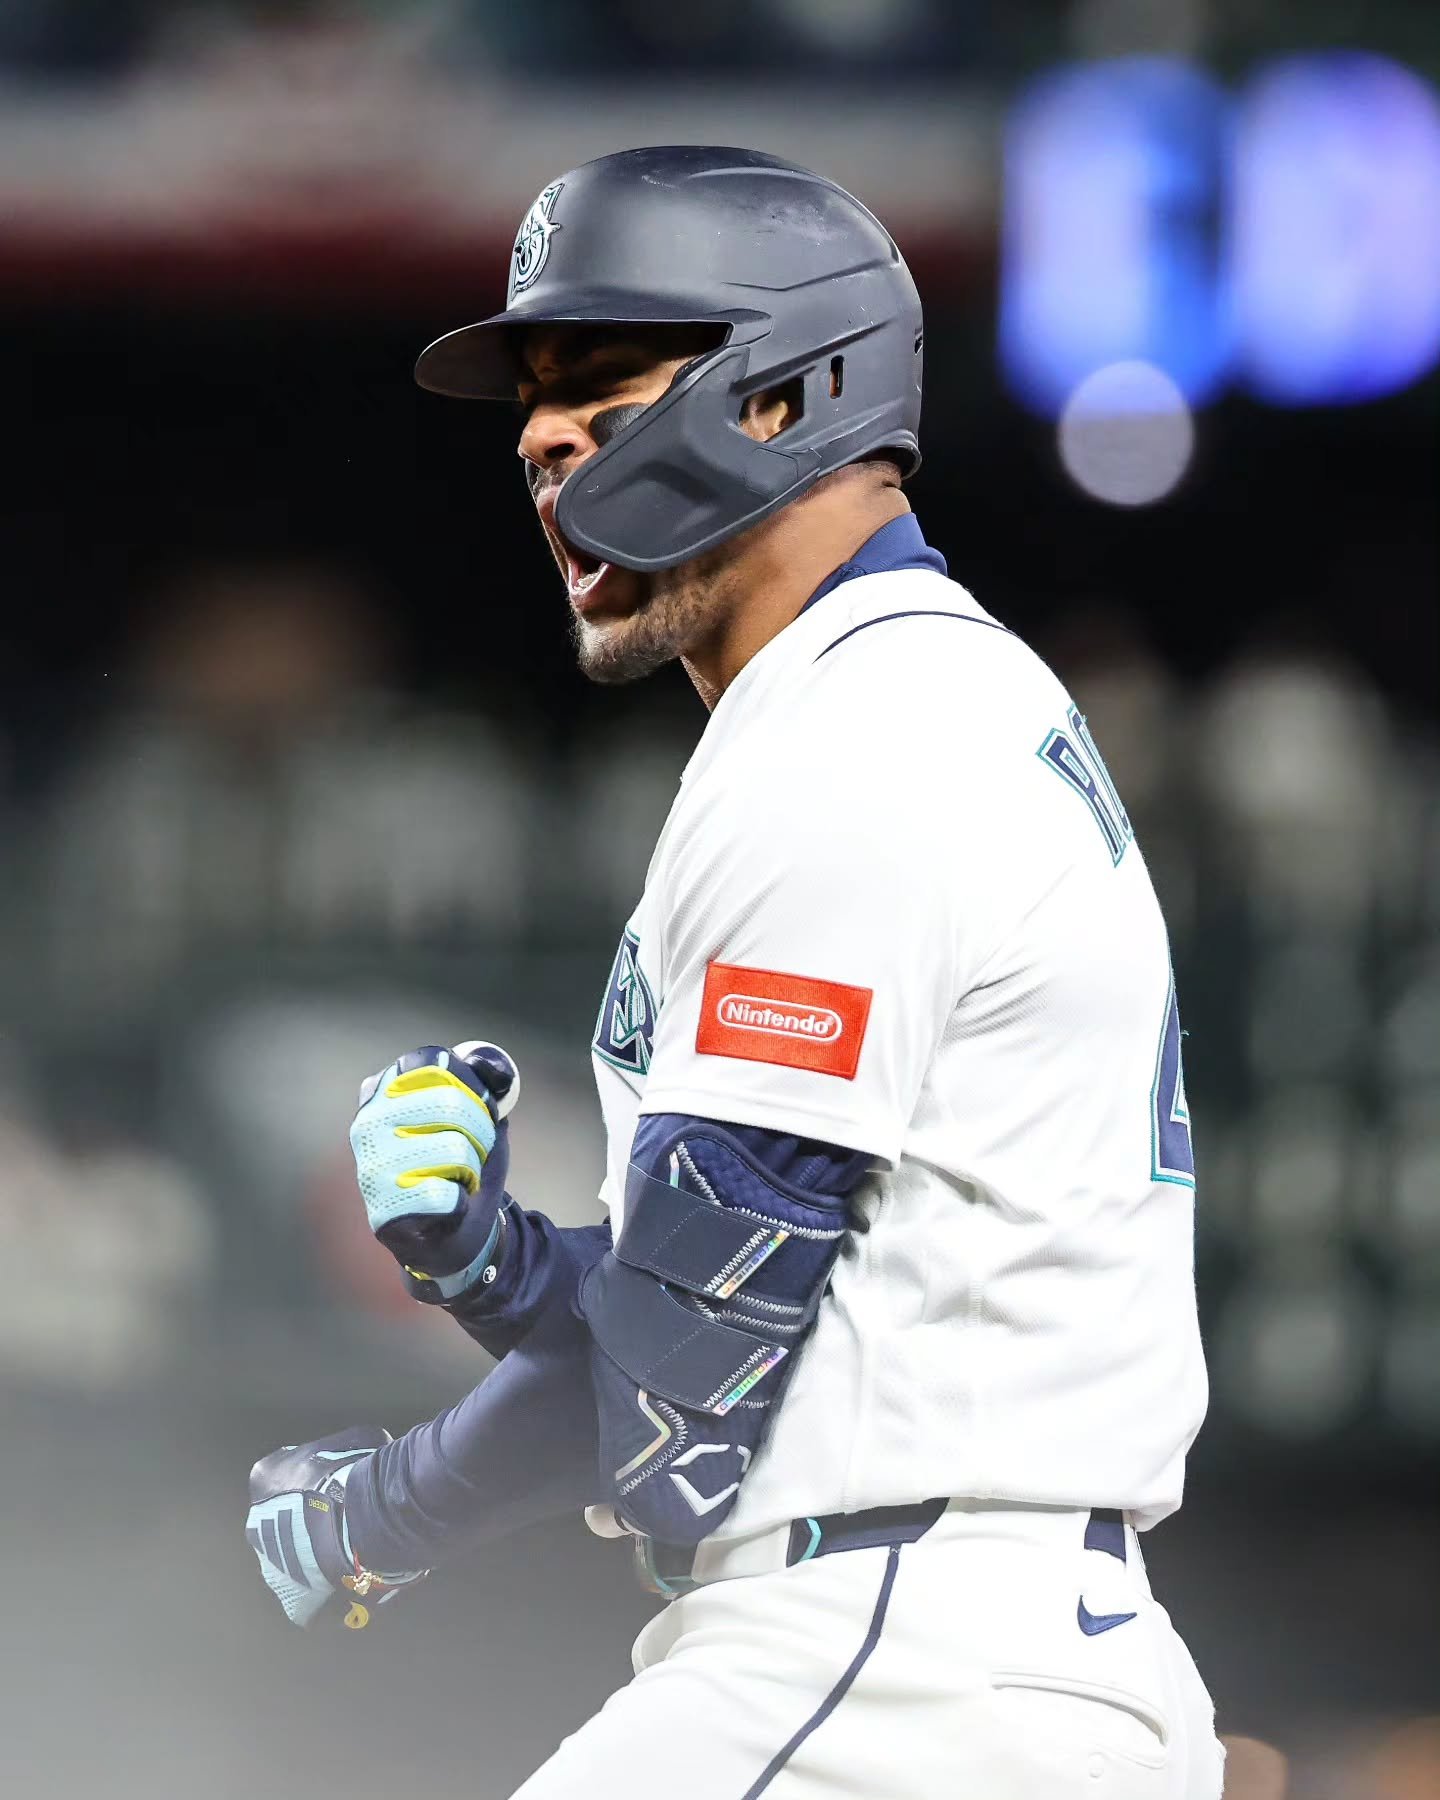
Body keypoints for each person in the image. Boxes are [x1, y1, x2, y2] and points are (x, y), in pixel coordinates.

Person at [245, 146, 1224, 1798]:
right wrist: (496, 1264)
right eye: (528, 403)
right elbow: (730, 1310)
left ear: (787, 393)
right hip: (978, 1646)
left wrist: (379, 1512)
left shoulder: (861, 736)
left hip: (901, 1665)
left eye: (602, 375)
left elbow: (681, 1397)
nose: (543, 438)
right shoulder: (886, 703)